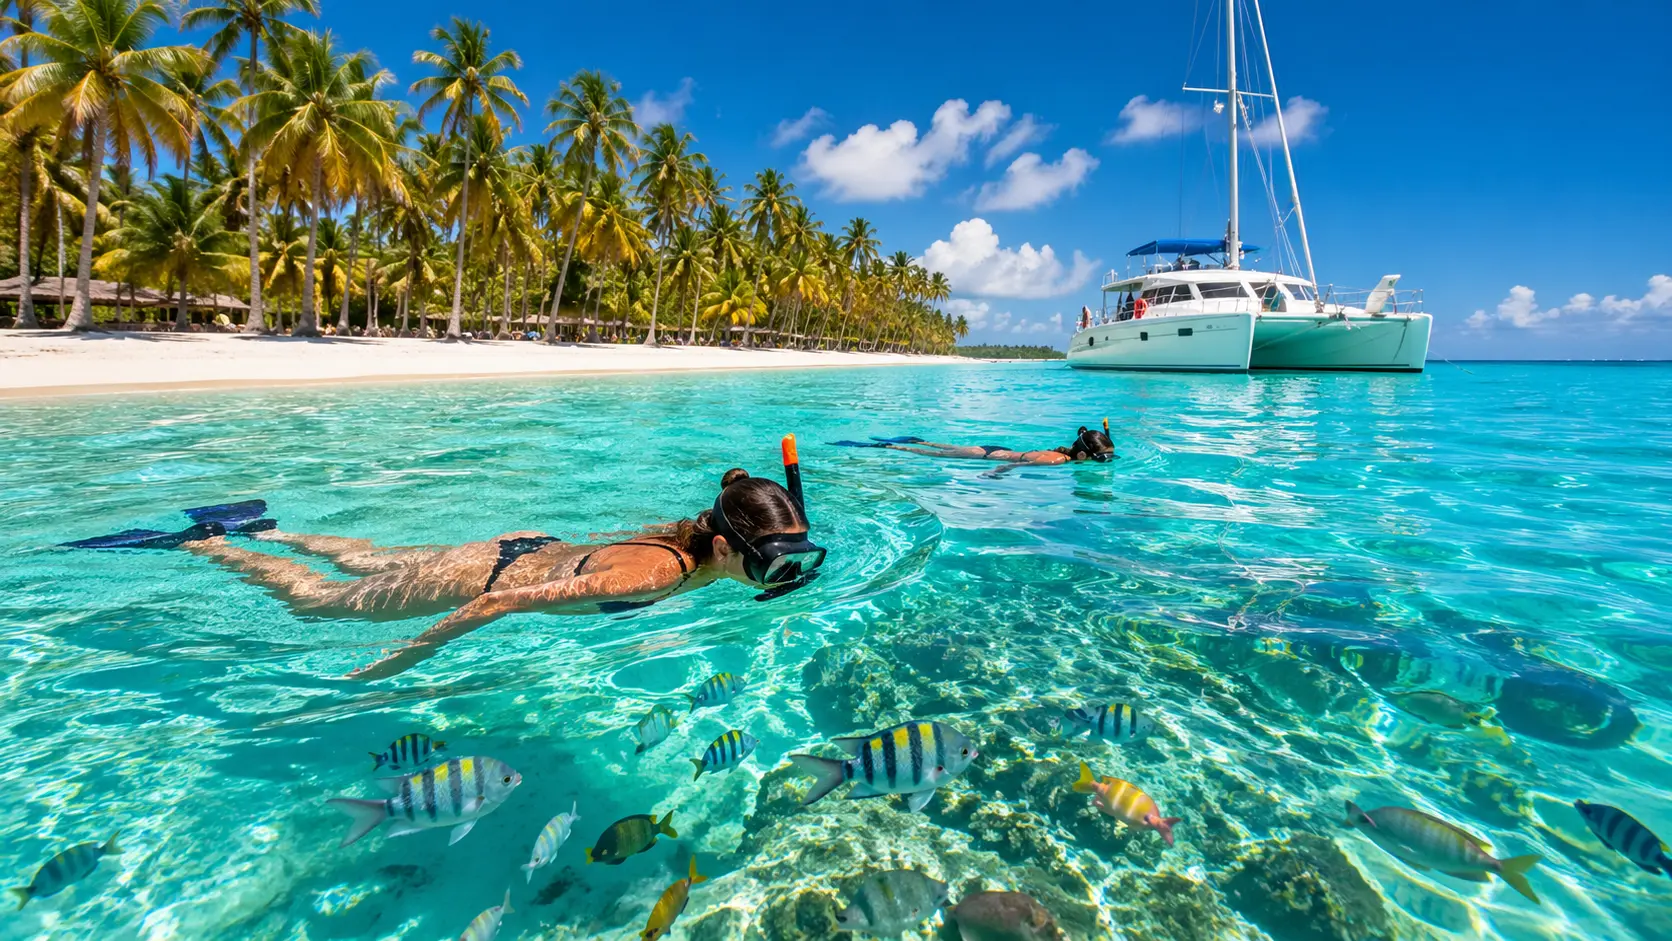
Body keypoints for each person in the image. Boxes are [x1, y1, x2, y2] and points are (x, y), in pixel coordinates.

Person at [62, 452, 826, 680]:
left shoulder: (690, 542)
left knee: (367, 557)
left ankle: (270, 525)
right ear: (725, 546)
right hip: (488, 580)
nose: (783, 577)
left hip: (520, 545)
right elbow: (501, 608)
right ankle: (211, 543)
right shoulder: (656, 574)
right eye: (773, 565)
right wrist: (403, 657)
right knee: (320, 604)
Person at [834, 423, 1116, 476]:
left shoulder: (1063, 454)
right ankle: (882, 445)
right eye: (1100, 458)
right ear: (1082, 455)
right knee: (927, 454)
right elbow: (1020, 465)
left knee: (935, 446)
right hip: (987, 456)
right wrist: (996, 472)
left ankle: (914, 439)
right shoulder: (1056, 461)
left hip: (994, 449)